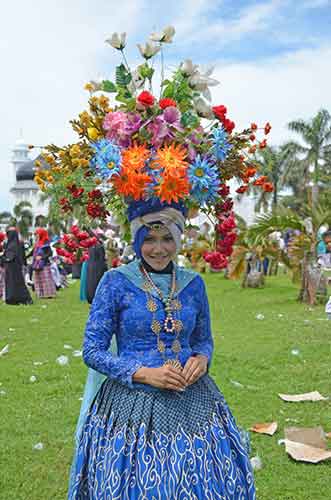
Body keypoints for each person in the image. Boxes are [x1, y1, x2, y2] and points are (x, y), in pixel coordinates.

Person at [68, 200, 255, 499]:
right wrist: (143, 374)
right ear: (136, 240)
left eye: (167, 238)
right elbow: (92, 350)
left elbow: (203, 339)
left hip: (194, 398)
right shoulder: (115, 282)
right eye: (149, 240)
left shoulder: (193, 284)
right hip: (130, 405)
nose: (159, 249)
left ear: (178, 239)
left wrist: (202, 358)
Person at [2, 227, 32, 305]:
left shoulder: (11, 245)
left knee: (14, 283)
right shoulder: (17, 243)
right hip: (15, 267)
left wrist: (3, 258)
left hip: (12, 267)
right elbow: (22, 256)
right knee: (17, 283)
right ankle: (17, 299)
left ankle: (15, 299)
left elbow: (10, 257)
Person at [32, 228, 56, 298]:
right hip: (36, 264)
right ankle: (40, 294)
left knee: (46, 280)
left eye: (37, 234)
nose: (36, 235)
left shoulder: (45, 242)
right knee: (37, 280)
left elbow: (50, 253)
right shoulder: (37, 242)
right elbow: (32, 252)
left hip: (44, 265)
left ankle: (48, 294)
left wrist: (42, 257)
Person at [86, 234, 108, 305]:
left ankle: (90, 298)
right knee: (97, 283)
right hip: (98, 267)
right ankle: (97, 297)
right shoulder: (100, 246)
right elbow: (102, 258)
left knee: (90, 283)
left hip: (90, 267)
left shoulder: (89, 247)